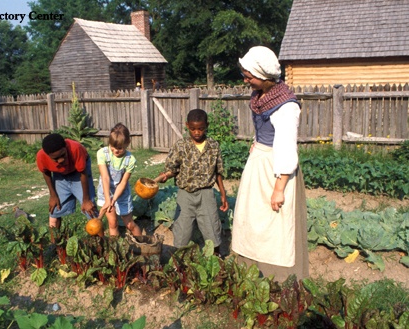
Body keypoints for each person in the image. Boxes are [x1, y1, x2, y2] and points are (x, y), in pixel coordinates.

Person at [231, 46, 309, 282]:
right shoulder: (259, 97)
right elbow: (265, 130)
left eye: (249, 76)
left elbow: (286, 148)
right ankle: (249, 271)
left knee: (274, 225)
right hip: (258, 164)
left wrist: (279, 188)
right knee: (252, 220)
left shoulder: (286, 106)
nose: (246, 81)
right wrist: (257, 142)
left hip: (277, 170)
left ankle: (277, 278)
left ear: (265, 76)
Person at [154, 109, 228, 253]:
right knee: (182, 230)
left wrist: (223, 194)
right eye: (193, 129)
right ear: (187, 125)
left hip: (206, 194)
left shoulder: (213, 146)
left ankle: (216, 260)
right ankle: (178, 263)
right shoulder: (181, 146)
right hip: (185, 195)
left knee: (211, 226)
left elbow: (218, 171)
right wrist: (165, 176)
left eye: (200, 128)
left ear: (206, 125)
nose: (197, 132)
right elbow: (172, 169)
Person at [36, 133, 96, 232]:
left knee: (90, 209)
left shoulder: (76, 148)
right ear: (48, 155)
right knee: (55, 209)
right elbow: (46, 172)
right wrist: (53, 195)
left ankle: (101, 242)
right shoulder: (41, 156)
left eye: (63, 155)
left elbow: (83, 173)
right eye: (55, 159)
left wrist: (86, 200)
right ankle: (54, 243)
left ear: (65, 147)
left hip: (79, 173)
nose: (61, 160)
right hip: (59, 174)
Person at [97, 123, 141, 236]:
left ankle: (144, 246)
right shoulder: (102, 153)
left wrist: (114, 199)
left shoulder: (130, 160)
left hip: (121, 194)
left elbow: (123, 182)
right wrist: (108, 200)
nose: (115, 150)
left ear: (127, 143)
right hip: (106, 192)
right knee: (113, 224)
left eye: (120, 148)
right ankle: (115, 251)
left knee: (129, 224)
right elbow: (105, 177)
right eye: (112, 146)